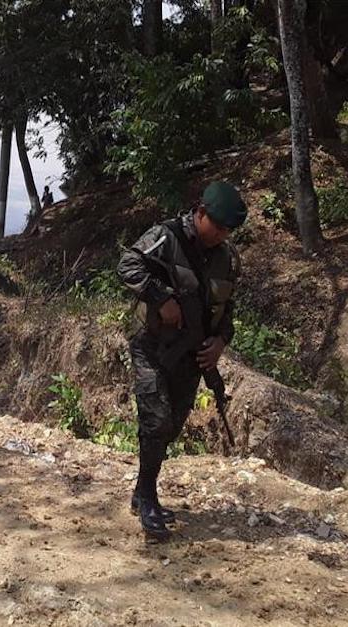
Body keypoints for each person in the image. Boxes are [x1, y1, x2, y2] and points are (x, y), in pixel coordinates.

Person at [117, 181, 246, 540]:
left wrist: (220, 341)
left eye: (227, 230)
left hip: (191, 354)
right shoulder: (166, 236)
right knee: (156, 420)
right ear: (200, 213)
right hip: (152, 344)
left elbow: (227, 309)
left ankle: (142, 490)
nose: (220, 235)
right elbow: (127, 264)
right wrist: (160, 297)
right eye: (216, 226)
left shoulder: (227, 257)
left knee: (172, 426)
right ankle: (147, 499)